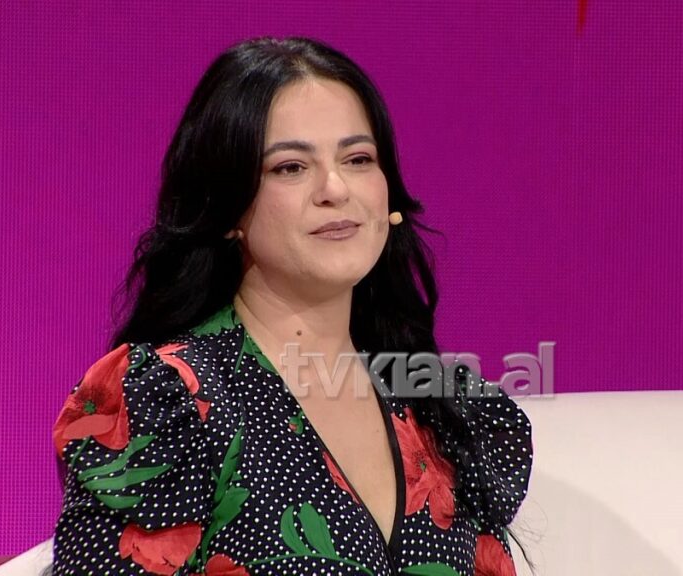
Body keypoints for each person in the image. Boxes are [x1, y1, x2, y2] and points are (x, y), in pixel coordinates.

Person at [51, 36, 534, 576]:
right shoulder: (170, 398)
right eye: (290, 167)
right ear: (227, 209)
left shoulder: (441, 404)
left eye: (358, 158)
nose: (335, 188)